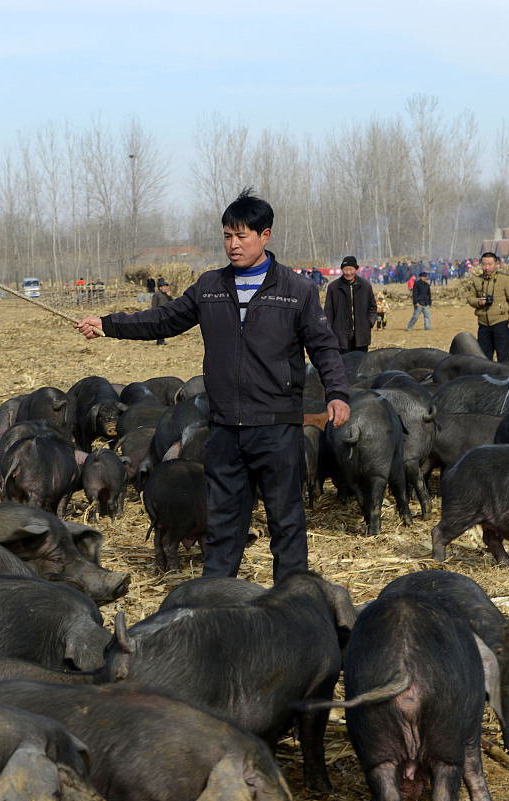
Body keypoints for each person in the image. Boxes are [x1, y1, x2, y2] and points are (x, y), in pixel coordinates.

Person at [73, 188, 350, 583]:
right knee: (222, 526)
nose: (233, 245)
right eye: (226, 236)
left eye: (242, 236)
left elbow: (324, 347)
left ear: (265, 236)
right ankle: (217, 600)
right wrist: (109, 324)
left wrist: (338, 393)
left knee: (286, 523)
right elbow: (163, 319)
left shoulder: (296, 291)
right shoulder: (210, 287)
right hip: (224, 430)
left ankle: (293, 602)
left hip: (276, 429)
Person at [467, 252, 509, 361]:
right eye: (484, 264)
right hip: (483, 324)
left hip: (501, 323)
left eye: (490, 264)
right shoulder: (477, 280)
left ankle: (503, 377)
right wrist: (478, 302)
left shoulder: (505, 280)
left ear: (496, 265)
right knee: (484, 358)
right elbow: (470, 298)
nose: (487, 267)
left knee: (503, 357)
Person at [324, 256, 377, 354]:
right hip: (340, 335)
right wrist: (329, 330)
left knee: (360, 363)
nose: (348, 273)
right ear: (342, 270)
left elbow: (372, 306)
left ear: (356, 269)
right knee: (343, 364)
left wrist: (369, 322)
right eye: (345, 269)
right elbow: (328, 311)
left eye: (351, 269)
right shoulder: (333, 287)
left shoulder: (365, 286)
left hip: (361, 335)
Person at [151, 278, 172, 345]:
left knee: (164, 328)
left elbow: (172, 303)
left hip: (165, 314)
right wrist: (154, 313)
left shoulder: (166, 294)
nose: (165, 288)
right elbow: (154, 305)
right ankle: (159, 341)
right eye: (164, 286)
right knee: (160, 328)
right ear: (160, 287)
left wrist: (169, 296)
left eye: (166, 286)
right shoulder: (157, 294)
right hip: (159, 313)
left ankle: (162, 340)